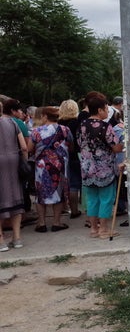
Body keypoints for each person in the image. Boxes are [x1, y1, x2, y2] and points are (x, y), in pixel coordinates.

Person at [78, 93, 123, 239]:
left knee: (91, 199)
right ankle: (103, 229)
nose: (107, 111)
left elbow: (79, 144)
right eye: (105, 109)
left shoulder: (82, 125)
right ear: (99, 110)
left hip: (87, 167)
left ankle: (93, 229)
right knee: (106, 198)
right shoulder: (105, 126)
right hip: (104, 168)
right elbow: (115, 147)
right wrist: (123, 143)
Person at [29, 107, 72, 232]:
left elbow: (29, 148)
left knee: (40, 193)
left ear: (45, 116)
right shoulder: (65, 129)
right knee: (59, 192)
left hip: (42, 166)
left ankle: (41, 223)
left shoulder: (36, 131)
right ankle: (56, 222)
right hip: (60, 164)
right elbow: (71, 144)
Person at [0, 99, 28, 251]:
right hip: (13, 161)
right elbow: (24, 147)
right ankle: (17, 238)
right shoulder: (13, 123)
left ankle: (1, 241)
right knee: (16, 196)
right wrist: (24, 163)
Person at [58, 100, 83, 219]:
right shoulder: (77, 123)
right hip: (76, 155)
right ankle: (79, 210)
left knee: (71, 184)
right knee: (79, 184)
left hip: (62, 157)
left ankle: (72, 209)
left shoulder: (58, 124)